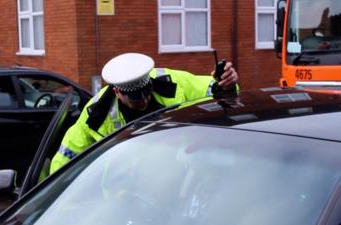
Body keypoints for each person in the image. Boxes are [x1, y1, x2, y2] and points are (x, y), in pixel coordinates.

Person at [50, 52, 239, 173]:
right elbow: (68, 154)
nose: (145, 101)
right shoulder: (97, 114)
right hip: (124, 190)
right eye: (135, 99)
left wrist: (226, 82)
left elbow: (215, 90)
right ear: (117, 92)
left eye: (147, 93)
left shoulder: (169, 82)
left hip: (176, 177)